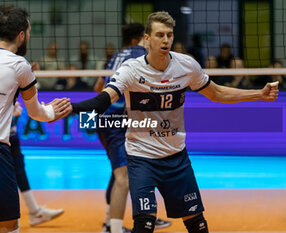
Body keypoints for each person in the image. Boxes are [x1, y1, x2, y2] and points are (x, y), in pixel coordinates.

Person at [69, 11, 279, 233]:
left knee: (197, 223)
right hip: (142, 157)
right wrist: (70, 108)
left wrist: (258, 94)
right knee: (144, 223)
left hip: (176, 157)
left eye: (169, 35)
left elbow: (216, 93)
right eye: (160, 35)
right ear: (146, 39)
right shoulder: (131, 69)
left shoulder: (186, 66)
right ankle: (112, 226)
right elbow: (103, 99)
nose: (166, 40)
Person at [0, 4, 71, 233]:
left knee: (5, 225)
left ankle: (33, 211)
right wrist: (52, 113)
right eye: (28, 32)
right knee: (9, 226)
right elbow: (36, 112)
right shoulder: (20, 65)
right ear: (21, 35)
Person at [94, 23, 171, 233]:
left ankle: (125, 220)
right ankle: (114, 229)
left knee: (122, 170)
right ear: (143, 37)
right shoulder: (142, 55)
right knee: (124, 176)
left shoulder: (115, 57)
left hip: (105, 120)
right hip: (119, 122)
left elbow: (97, 88)